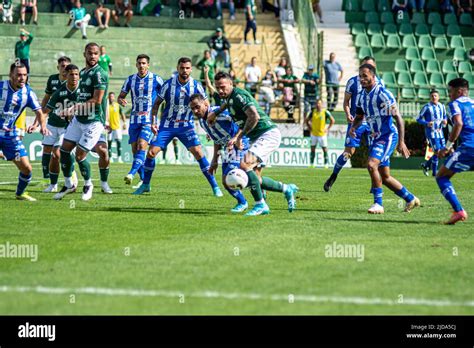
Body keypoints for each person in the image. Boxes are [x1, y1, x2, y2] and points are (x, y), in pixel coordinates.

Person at [211, 71, 299, 216]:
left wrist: (238, 137)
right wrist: (216, 112)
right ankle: (286, 189)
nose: (220, 90)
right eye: (217, 87)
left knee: (244, 165)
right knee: (255, 178)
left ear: (231, 84)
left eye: (223, 87)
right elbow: (226, 105)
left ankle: (261, 205)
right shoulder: (230, 99)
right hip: (258, 137)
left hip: (267, 134)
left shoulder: (239, 95)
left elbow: (254, 117)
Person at [133, 57, 223, 197]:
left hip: (186, 126)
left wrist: (209, 128)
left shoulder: (197, 85)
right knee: (151, 153)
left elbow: (206, 107)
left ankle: (215, 187)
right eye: (182, 68)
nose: (185, 70)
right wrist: (153, 122)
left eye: (187, 68)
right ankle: (145, 184)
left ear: (191, 69)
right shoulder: (168, 85)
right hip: (167, 126)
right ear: (177, 68)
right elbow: (156, 104)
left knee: (199, 153)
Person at [350, 64, 419, 214]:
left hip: (387, 136)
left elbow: (398, 118)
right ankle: (410, 198)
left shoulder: (383, 94)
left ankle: (378, 204)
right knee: (385, 177)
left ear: (373, 77)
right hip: (376, 137)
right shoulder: (361, 96)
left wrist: (401, 142)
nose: (362, 79)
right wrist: (353, 128)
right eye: (360, 76)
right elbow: (359, 117)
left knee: (371, 165)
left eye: (365, 76)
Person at [53, 43, 109, 201]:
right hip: (79, 119)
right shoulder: (83, 72)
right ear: (84, 54)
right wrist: (72, 111)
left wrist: (74, 108)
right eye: (90, 53)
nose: (93, 56)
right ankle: (69, 184)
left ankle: (88, 184)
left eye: (96, 53)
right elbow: (81, 96)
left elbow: (97, 100)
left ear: (99, 55)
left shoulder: (100, 74)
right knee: (63, 151)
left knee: (80, 155)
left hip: (94, 121)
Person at [324, 56, 381, 192]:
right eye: (366, 65)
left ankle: (375, 185)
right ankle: (333, 175)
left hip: (372, 123)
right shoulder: (353, 82)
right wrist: (347, 113)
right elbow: (346, 102)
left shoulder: (379, 83)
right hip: (357, 121)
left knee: (374, 155)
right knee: (348, 153)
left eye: (371, 66)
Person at [191, 94, 249, 212]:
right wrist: (214, 161)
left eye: (197, 107)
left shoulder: (221, 114)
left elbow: (244, 121)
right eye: (192, 109)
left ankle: (244, 202)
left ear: (206, 104)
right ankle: (262, 188)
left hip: (242, 144)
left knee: (230, 178)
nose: (195, 111)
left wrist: (237, 138)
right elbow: (217, 140)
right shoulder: (203, 122)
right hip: (229, 149)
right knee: (227, 180)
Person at [0, 63, 49, 201]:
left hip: (10, 135)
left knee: (27, 169)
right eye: (18, 75)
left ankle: (20, 193)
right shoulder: (0, 87)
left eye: (25, 75)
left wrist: (42, 127)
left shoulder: (28, 93)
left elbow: (39, 112)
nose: (22, 78)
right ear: (11, 75)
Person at [119, 54, 163, 188]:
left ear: (148, 65)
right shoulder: (130, 80)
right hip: (134, 119)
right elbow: (121, 96)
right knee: (135, 151)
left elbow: (166, 94)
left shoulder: (156, 79)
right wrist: (121, 100)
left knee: (142, 145)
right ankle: (144, 181)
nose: (141, 65)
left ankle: (131, 174)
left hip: (148, 119)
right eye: (139, 63)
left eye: (144, 63)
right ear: (136, 65)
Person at [436, 77, 472, 225]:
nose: (449, 95)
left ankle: (458, 210)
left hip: (470, 147)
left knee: (441, 176)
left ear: (459, 91)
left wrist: (448, 146)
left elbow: (458, 123)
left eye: (450, 92)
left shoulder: (455, 104)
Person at [42, 64, 81, 193]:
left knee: (58, 153)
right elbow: (47, 109)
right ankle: (54, 185)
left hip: (70, 127)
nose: (74, 77)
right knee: (53, 154)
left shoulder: (83, 91)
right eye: (71, 74)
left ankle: (71, 182)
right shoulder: (60, 91)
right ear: (66, 75)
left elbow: (92, 105)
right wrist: (38, 123)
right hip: (53, 124)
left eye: (76, 74)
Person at [416, 90, 447, 177]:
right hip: (431, 133)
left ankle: (426, 165)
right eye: (432, 96)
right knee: (437, 151)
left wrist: (445, 121)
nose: (434, 97)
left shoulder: (442, 106)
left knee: (441, 152)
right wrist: (427, 123)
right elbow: (418, 119)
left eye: (435, 96)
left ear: (438, 97)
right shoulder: (427, 107)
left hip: (440, 132)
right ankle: (434, 173)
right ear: (430, 97)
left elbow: (444, 116)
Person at [306, 99, 335, 168]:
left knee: (324, 149)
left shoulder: (325, 112)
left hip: (322, 134)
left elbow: (332, 120)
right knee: (312, 148)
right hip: (314, 134)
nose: (318, 105)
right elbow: (306, 120)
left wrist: (327, 129)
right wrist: (309, 127)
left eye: (319, 103)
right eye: (317, 103)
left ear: (321, 104)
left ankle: (326, 164)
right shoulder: (313, 112)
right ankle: (312, 164)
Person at [107, 92, 126, 163]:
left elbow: (122, 114)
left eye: (112, 96)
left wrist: (124, 123)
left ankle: (119, 158)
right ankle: (110, 158)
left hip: (117, 127)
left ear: (114, 97)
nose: (111, 98)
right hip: (109, 128)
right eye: (110, 97)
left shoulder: (117, 105)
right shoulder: (106, 106)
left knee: (118, 142)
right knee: (109, 142)